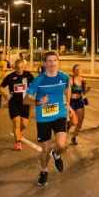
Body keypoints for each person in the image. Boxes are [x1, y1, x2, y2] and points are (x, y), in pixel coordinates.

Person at [24, 51, 71, 186]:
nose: (52, 64)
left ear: (58, 61)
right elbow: (26, 100)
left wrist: (68, 104)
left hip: (59, 115)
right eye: (49, 61)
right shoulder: (38, 80)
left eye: (55, 60)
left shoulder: (64, 77)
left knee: (61, 145)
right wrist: (38, 101)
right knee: (45, 149)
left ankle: (56, 155)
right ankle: (44, 171)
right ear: (44, 63)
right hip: (43, 118)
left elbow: (68, 89)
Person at [0, 59, 34, 151]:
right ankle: (18, 143)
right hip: (13, 102)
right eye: (18, 68)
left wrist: (32, 94)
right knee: (16, 123)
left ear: (24, 67)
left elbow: (35, 85)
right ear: (15, 67)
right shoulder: (10, 77)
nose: (19, 69)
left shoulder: (28, 75)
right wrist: (4, 95)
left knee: (25, 124)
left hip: (25, 102)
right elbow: (1, 86)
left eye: (21, 67)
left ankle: (20, 132)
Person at [68, 64, 90, 145]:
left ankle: (74, 137)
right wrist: (67, 103)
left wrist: (87, 90)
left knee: (80, 122)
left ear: (82, 71)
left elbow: (83, 92)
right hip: (72, 102)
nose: (78, 71)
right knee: (74, 122)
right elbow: (67, 93)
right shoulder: (70, 80)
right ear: (73, 71)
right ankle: (69, 124)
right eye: (76, 70)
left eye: (79, 69)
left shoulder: (83, 81)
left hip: (79, 101)